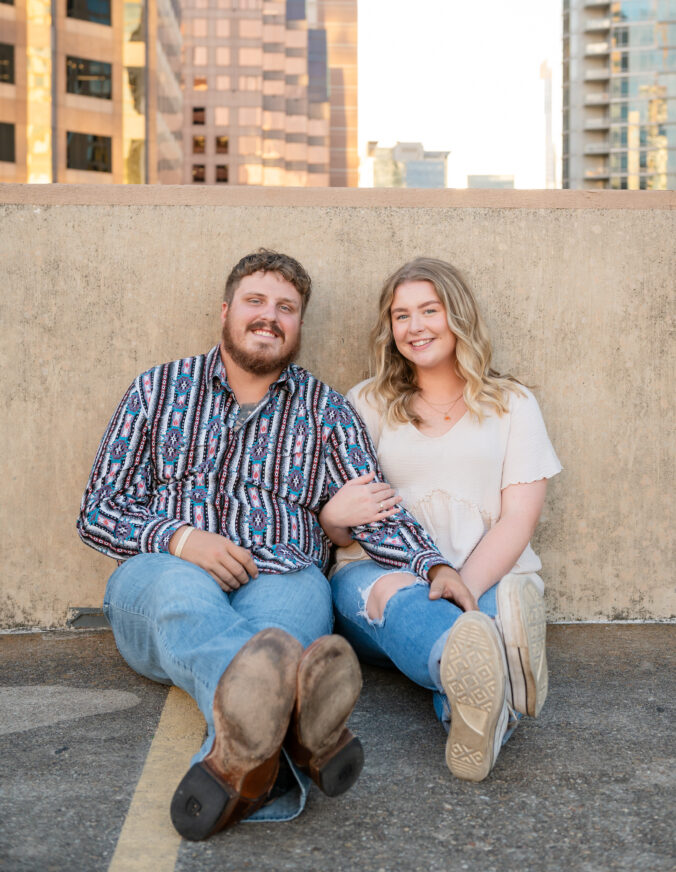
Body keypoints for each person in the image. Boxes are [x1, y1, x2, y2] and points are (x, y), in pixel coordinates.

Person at [77, 248, 473, 840]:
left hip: (284, 573)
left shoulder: (325, 410)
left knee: (280, 642)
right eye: (256, 301)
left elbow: (376, 510)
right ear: (226, 311)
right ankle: (300, 729)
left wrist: (433, 562)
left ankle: (251, 772)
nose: (270, 316)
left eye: (286, 307)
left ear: (299, 325)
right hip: (163, 573)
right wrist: (182, 539)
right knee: (199, 607)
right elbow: (98, 510)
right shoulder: (158, 389)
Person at [322, 257, 562, 783]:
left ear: (458, 316)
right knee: (398, 598)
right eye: (401, 315)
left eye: (429, 310)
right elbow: (348, 523)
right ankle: (494, 663)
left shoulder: (512, 404)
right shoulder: (365, 403)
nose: (415, 327)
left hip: (489, 573)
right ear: (389, 328)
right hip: (382, 572)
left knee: (490, 620)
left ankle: (469, 710)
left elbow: (518, 520)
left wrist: (461, 588)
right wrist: (332, 519)